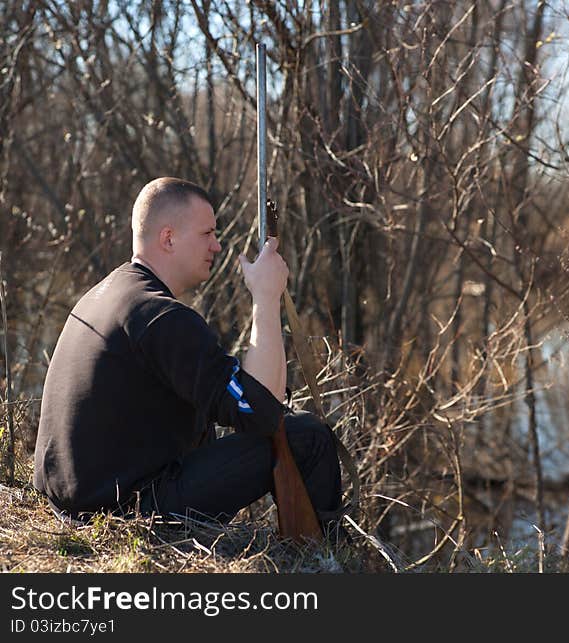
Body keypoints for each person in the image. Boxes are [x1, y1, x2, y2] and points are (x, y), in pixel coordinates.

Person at [32, 177, 341, 531]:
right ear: (168, 238)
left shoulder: (106, 295)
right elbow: (261, 411)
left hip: (77, 505)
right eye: (207, 233)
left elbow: (248, 400)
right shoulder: (160, 315)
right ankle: (325, 565)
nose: (218, 246)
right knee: (309, 437)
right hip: (129, 512)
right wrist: (266, 298)